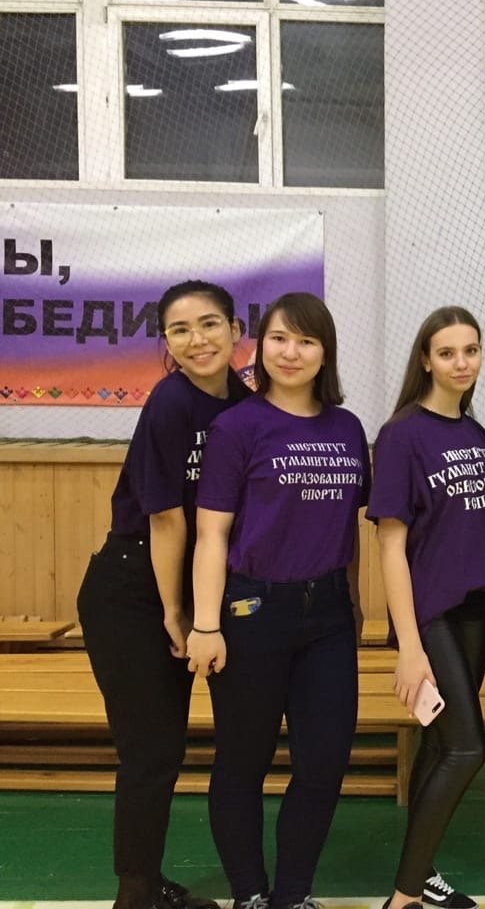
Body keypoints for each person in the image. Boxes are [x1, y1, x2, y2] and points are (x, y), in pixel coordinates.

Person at [187, 292, 370, 909]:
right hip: (251, 612)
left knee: (324, 762)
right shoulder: (236, 427)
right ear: (260, 346)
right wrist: (206, 625)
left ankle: (293, 895)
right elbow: (211, 535)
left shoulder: (347, 428)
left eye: (306, 341)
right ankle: (250, 894)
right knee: (243, 762)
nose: (291, 353)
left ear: (325, 353)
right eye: (279, 339)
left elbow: (349, 527)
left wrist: (353, 600)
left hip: (329, 617)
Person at [77, 280, 248, 909]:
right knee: (150, 749)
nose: (197, 340)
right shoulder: (170, 402)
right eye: (180, 330)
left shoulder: (244, 404)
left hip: (191, 585)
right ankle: (136, 892)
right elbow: (167, 520)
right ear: (166, 342)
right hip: (133, 587)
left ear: (236, 330)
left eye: (209, 324)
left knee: (167, 747)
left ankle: (146, 882)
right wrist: (177, 612)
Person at [367, 307, 485, 909]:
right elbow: (391, 547)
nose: (461, 363)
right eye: (447, 352)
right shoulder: (403, 435)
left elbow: (482, 536)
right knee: (466, 748)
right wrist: (409, 646)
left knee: (437, 746)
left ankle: (421, 876)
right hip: (431, 617)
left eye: (471, 351)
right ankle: (403, 898)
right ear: (425, 360)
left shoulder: (476, 434)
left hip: (476, 613)